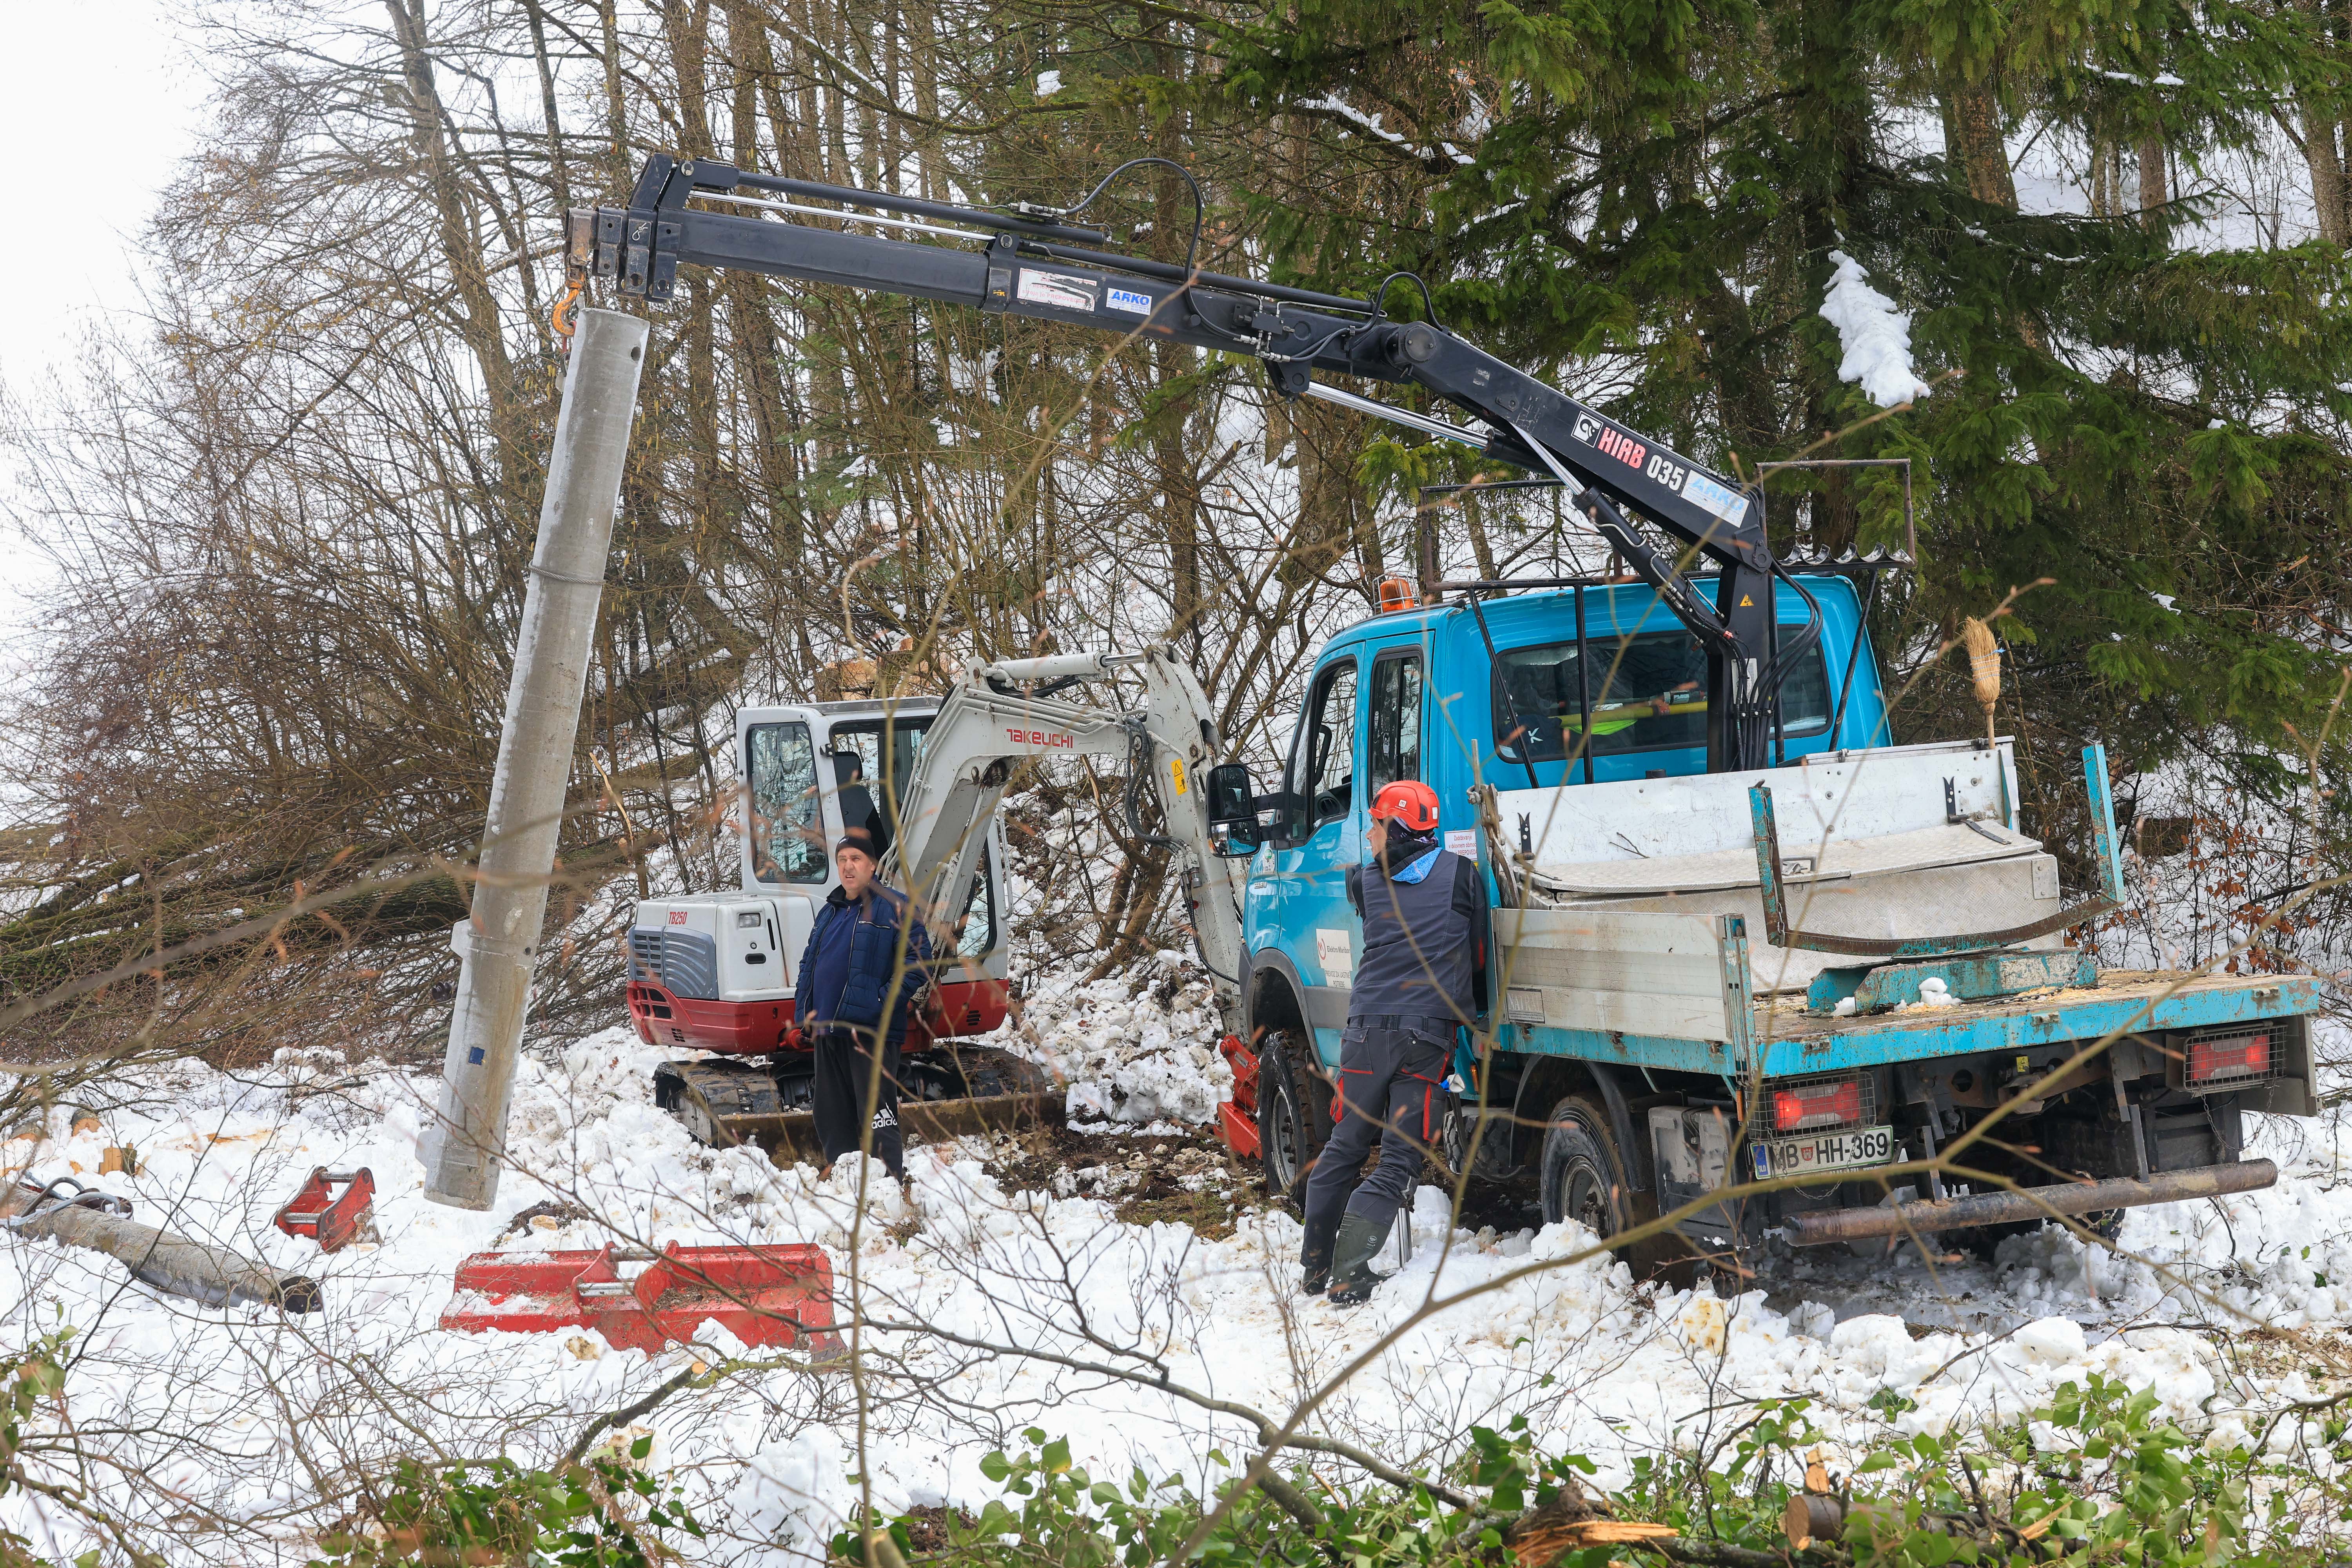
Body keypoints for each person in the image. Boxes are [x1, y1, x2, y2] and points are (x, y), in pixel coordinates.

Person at [1300, 779, 1488, 1306]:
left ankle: (1315, 1267)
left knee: (1345, 1147)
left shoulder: (1363, 880)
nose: (1369, 834)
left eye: (1377, 824)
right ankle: (1348, 1274)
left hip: (1364, 1033)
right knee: (1398, 1161)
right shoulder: (1462, 876)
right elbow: (1477, 954)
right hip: (1424, 1038)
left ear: (1398, 828)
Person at [791, 825, 932, 1180]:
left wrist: (880, 1002)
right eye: (842, 859)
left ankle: (888, 1185)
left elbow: (918, 965)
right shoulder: (830, 911)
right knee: (831, 1115)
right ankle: (846, 1182)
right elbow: (809, 964)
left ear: (873, 866)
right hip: (828, 1029)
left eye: (856, 858)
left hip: (870, 1031)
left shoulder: (897, 908)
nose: (848, 866)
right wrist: (804, 1012)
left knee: (876, 1116)